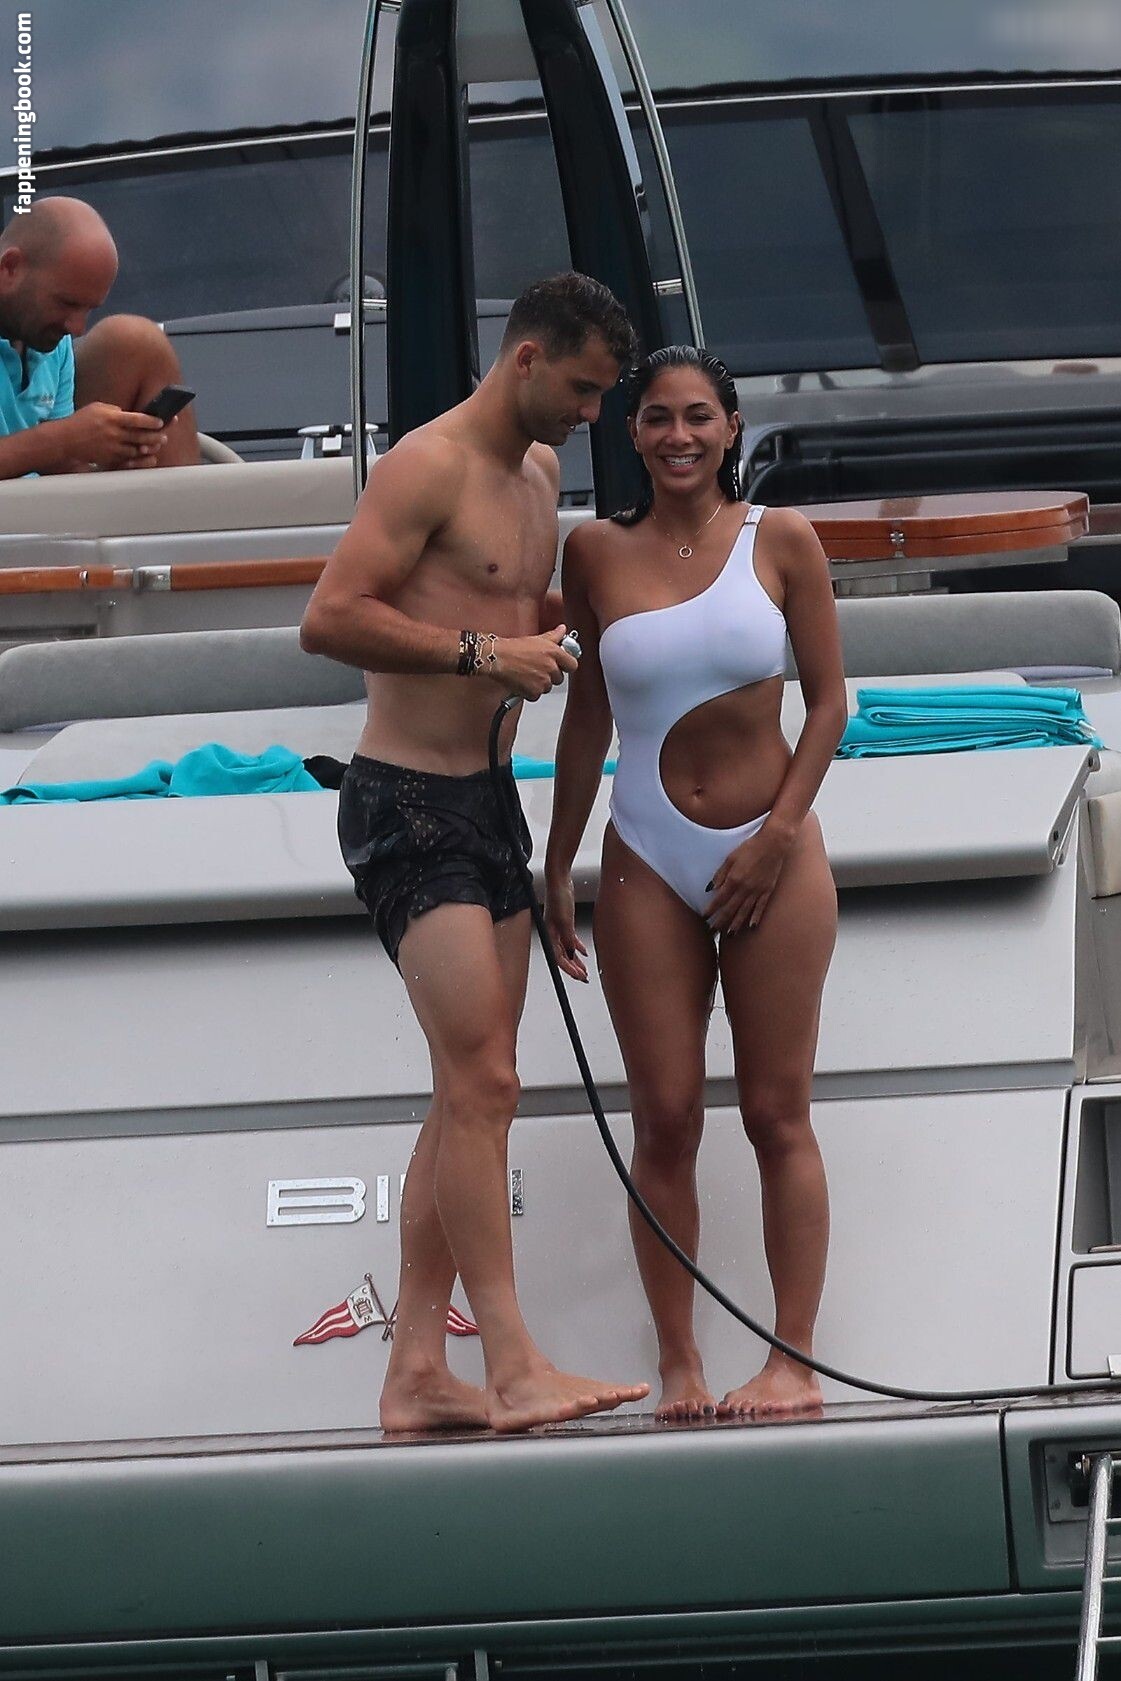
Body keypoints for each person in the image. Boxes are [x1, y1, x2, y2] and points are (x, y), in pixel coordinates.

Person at [299, 272, 650, 1433]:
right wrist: (481, 655)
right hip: (406, 802)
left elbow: (513, 612)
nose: (591, 416)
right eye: (583, 390)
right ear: (526, 357)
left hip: (492, 802)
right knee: (484, 1081)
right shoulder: (427, 465)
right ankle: (510, 1364)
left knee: (469, 1091)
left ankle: (414, 1370)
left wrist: (554, 634)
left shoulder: (538, 475)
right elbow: (328, 617)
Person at [544, 345, 847, 1421]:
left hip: (772, 847)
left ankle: (791, 1360)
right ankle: (677, 1360)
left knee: (774, 1112)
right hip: (644, 851)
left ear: (730, 428)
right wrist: (555, 861)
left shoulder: (781, 538)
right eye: (657, 417)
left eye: (697, 417)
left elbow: (829, 703)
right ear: (630, 432)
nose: (678, 436)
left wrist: (778, 836)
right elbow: (585, 717)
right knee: (665, 1117)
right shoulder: (592, 549)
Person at [0, 196, 200, 478]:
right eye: (66, 303)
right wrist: (63, 440)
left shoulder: (52, 343)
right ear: (10, 268)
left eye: (89, 309)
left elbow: (55, 471)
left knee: (138, 343)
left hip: (39, 503)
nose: (78, 328)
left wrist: (112, 460)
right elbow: (54, 447)